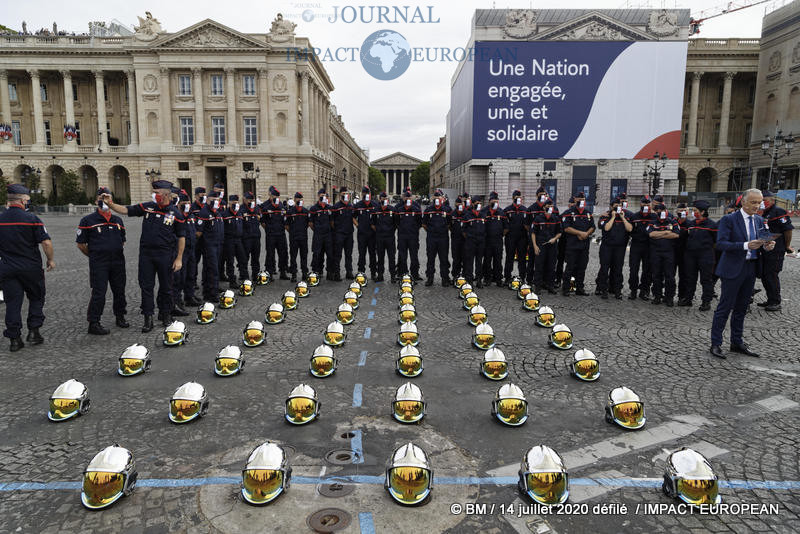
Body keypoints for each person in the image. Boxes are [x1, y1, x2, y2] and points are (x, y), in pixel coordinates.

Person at [102, 180, 185, 332]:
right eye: (154, 193)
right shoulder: (148, 207)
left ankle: (166, 314)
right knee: (146, 286)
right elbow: (126, 210)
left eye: (157, 193)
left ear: (166, 194)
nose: (155, 195)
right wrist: (111, 204)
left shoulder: (175, 213)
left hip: (165, 254)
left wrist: (179, 258)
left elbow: (181, 237)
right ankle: (148, 318)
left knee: (166, 286)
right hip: (146, 254)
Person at [710, 189, 774, 359]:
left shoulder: (760, 220)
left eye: (759, 202)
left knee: (742, 308)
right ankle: (715, 343)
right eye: (753, 202)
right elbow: (721, 244)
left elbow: (765, 241)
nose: (757, 206)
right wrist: (745, 245)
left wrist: (768, 246)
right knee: (725, 307)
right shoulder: (729, 219)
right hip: (732, 268)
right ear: (743, 202)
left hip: (751, 268)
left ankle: (736, 342)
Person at [0, 184, 55, 351]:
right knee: (36, 297)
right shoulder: (32, 219)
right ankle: (34, 331)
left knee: (13, 303)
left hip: (7, 267)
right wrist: (50, 259)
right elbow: (45, 242)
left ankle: (14, 339)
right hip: (30, 267)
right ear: (23, 200)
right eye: (28, 200)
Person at [76, 187, 128, 335]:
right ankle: (94, 322)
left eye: (107, 198)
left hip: (117, 261)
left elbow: (122, 240)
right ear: (96, 201)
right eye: (101, 198)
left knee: (119, 290)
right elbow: (81, 244)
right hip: (99, 262)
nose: (104, 201)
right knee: (99, 292)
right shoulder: (87, 220)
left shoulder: (118, 220)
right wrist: (94, 255)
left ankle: (120, 316)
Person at [758, 191, 793, 311]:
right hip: (765, 249)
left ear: (772, 200)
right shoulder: (763, 213)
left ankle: (775, 301)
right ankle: (770, 299)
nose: (763, 203)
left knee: (771, 275)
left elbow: (788, 230)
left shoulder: (779, 212)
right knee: (764, 275)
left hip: (776, 250)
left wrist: (787, 246)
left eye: (765, 200)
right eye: (761, 201)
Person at [682, 200, 717, 311]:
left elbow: (716, 241)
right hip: (691, 256)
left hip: (705, 256)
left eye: (695, 210)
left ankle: (706, 302)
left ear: (702, 212)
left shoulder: (712, 225)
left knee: (706, 280)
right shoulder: (691, 224)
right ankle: (688, 299)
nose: (693, 212)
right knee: (690, 278)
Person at [596, 196, 632, 299]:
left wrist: (622, 217)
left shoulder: (624, 216)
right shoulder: (605, 216)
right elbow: (606, 228)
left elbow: (629, 229)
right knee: (604, 268)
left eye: (620, 206)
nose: (618, 208)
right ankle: (603, 289)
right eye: (616, 207)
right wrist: (612, 217)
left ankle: (617, 290)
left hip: (619, 247)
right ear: (611, 207)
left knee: (618, 269)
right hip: (607, 247)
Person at [560, 193, 594, 296]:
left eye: (583, 199)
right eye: (579, 198)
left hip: (584, 246)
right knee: (570, 267)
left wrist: (586, 234)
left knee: (582, 268)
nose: (581, 200)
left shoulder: (588, 213)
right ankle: (566, 288)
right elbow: (566, 228)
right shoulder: (569, 213)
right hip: (572, 246)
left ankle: (580, 288)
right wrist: (579, 233)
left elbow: (592, 226)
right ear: (575, 199)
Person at [646, 203, 680, 306]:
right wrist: (666, 232)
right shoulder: (652, 222)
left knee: (669, 276)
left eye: (663, 210)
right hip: (655, 252)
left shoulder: (672, 221)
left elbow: (676, 235)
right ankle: (657, 296)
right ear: (656, 213)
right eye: (659, 211)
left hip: (668, 252)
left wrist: (659, 235)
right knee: (656, 275)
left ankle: (669, 297)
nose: (661, 213)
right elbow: (651, 234)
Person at [171, 190, 197, 316]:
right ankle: (176, 302)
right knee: (178, 278)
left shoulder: (191, 215)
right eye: (184, 202)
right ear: (179, 204)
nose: (187, 204)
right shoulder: (176, 216)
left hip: (191, 249)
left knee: (191, 274)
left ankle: (189, 296)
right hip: (180, 251)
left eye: (188, 202)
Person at [195, 191, 225, 303]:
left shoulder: (217, 212)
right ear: (208, 200)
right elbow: (198, 232)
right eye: (213, 200)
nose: (216, 202)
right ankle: (212, 293)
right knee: (212, 269)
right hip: (209, 245)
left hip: (218, 244)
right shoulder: (204, 212)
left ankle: (209, 291)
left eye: (217, 200)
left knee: (212, 268)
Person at [530, 199, 561, 293]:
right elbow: (533, 233)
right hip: (541, 245)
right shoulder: (538, 219)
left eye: (551, 206)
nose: (550, 208)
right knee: (539, 266)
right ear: (544, 208)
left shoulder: (555, 218)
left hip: (552, 246)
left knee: (551, 266)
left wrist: (555, 238)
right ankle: (538, 286)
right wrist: (535, 246)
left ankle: (550, 285)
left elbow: (560, 232)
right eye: (548, 207)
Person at [422, 189, 451, 286]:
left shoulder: (447, 210)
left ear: (442, 198)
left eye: (439, 197)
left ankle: (445, 278)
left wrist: (442, 230)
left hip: (443, 238)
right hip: (432, 238)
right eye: (436, 197)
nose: (437, 199)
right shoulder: (428, 210)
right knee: (430, 259)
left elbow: (449, 224)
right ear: (433, 199)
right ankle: (430, 278)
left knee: (444, 259)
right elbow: (424, 224)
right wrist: (431, 231)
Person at [628, 196, 654, 300]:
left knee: (647, 270)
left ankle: (644, 290)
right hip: (636, 246)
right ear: (641, 204)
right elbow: (629, 230)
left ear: (651, 205)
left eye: (648, 204)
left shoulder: (654, 217)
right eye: (644, 204)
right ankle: (633, 290)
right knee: (633, 269)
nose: (646, 206)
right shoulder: (634, 216)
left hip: (649, 246)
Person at [261, 186, 289, 280]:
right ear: (271, 195)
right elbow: (263, 222)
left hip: (281, 234)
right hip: (271, 234)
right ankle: (270, 272)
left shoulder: (281, 206)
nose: (276, 198)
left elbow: (285, 220)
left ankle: (283, 272)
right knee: (270, 254)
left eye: (277, 196)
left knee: (283, 253)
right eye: (274, 196)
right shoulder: (266, 207)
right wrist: (269, 229)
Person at [395, 188, 422, 279]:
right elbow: (396, 221)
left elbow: (419, 222)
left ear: (412, 198)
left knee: (414, 255)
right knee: (402, 256)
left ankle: (415, 274)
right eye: (406, 197)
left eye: (409, 197)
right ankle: (402, 273)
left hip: (413, 236)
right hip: (402, 235)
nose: (407, 199)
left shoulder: (416, 207)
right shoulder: (399, 208)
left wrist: (414, 229)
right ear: (403, 197)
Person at [222, 195, 248, 289]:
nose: (236, 204)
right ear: (229, 203)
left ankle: (245, 277)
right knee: (230, 261)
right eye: (233, 203)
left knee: (243, 259)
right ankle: (232, 281)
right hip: (229, 240)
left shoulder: (240, 213)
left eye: (237, 203)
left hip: (239, 240)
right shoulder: (225, 214)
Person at [503, 190, 529, 286]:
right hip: (510, 238)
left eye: (519, 196)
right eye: (516, 197)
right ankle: (507, 277)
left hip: (522, 238)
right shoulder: (507, 210)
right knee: (509, 258)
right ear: (513, 198)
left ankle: (522, 277)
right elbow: (504, 225)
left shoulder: (525, 210)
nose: (518, 198)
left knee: (522, 258)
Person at [482, 191, 507, 287]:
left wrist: (500, 235)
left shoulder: (501, 212)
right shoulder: (484, 211)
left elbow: (506, 227)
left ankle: (498, 279)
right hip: (487, 240)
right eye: (493, 200)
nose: (495, 202)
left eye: (496, 200)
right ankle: (487, 278)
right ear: (489, 201)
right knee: (487, 260)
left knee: (498, 260)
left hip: (498, 240)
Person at [353, 186, 379, 280]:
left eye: (368, 193)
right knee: (362, 254)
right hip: (362, 234)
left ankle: (373, 273)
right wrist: (357, 225)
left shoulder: (375, 205)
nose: (366, 195)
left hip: (372, 234)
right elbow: (353, 217)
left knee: (372, 254)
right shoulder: (358, 205)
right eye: (364, 193)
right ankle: (361, 272)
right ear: (362, 194)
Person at [372, 191, 398, 282]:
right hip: (379, 237)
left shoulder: (392, 209)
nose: (384, 200)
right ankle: (380, 275)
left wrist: (390, 231)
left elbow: (396, 223)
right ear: (380, 199)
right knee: (380, 257)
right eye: (383, 198)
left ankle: (393, 276)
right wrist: (379, 231)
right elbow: (373, 224)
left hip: (390, 237)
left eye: (386, 198)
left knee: (392, 257)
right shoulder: (376, 210)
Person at [525, 188, 549, 285]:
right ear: (537, 196)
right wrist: (533, 233)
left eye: (544, 194)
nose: (543, 196)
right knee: (531, 261)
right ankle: (529, 280)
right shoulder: (531, 209)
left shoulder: (548, 208)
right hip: (533, 239)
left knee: (543, 262)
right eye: (541, 194)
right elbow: (526, 225)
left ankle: (542, 280)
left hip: (545, 240)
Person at [461, 195, 486, 288]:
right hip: (470, 242)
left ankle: (479, 280)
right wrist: (469, 237)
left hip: (480, 242)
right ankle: (469, 280)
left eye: (480, 203)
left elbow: (486, 228)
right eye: (477, 203)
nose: (479, 204)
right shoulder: (467, 215)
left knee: (479, 261)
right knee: (469, 261)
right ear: (473, 204)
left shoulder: (483, 214)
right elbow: (463, 230)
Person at [309, 188, 335, 280]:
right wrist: (317, 230)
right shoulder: (313, 208)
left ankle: (330, 271)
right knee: (317, 253)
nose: (323, 197)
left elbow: (332, 221)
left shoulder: (329, 208)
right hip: (318, 234)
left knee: (330, 254)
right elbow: (311, 223)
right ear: (318, 196)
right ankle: (317, 271)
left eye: (325, 195)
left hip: (328, 234)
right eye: (321, 196)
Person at [332, 187, 356, 281]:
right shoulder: (336, 206)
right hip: (339, 234)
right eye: (344, 194)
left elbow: (353, 218)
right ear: (340, 195)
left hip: (349, 233)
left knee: (348, 254)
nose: (346, 195)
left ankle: (349, 272)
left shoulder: (351, 206)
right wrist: (337, 230)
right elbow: (332, 221)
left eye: (347, 193)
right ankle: (337, 273)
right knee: (338, 254)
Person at [286, 192, 310, 282]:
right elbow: (286, 225)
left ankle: (304, 273)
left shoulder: (305, 211)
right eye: (298, 198)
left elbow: (308, 223)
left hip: (303, 237)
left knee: (304, 256)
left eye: (301, 199)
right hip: (294, 238)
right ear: (295, 199)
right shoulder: (290, 212)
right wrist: (292, 232)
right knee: (293, 256)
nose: (299, 200)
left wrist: (302, 230)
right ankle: (294, 274)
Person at [241, 191, 262, 282]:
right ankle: (244, 276)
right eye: (249, 199)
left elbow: (260, 219)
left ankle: (255, 275)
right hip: (246, 237)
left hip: (256, 236)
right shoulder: (241, 209)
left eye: (252, 199)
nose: (251, 201)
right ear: (244, 199)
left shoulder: (257, 208)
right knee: (244, 258)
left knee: (256, 258)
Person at [674, 203, 692, 305]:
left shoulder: (690, 224)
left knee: (684, 276)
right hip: (672, 252)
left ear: (688, 212)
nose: (682, 213)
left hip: (685, 254)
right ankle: (669, 295)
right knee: (669, 275)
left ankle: (682, 296)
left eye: (684, 211)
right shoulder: (672, 222)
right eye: (680, 211)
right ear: (677, 212)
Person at [450, 195, 467, 280]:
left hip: (465, 240)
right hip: (455, 239)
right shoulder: (452, 213)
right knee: (456, 258)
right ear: (455, 204)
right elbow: (449, 225)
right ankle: (455, 275)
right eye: (458, 203)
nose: (460, 204)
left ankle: (465, 275)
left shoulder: (467, 213)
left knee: (465, 258)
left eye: (461, 203)